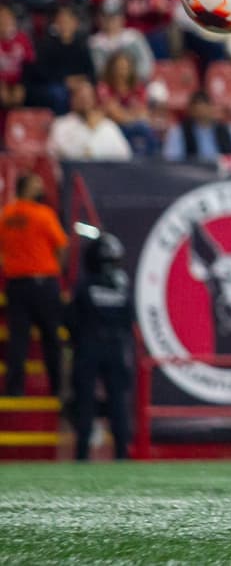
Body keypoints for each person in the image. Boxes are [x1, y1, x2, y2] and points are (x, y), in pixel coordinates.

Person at [67, 231, 134, 460]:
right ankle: (122, 454)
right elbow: (129, 319)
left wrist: (78, 341)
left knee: (85, 401)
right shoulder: (122, 286)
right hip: (115, 346)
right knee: (118, 403)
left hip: (89, 346)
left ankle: (82, 454)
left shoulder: (85, 286)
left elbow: (72, 319)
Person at [0, 174, 68, 396]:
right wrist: (55, 271)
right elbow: (61, 245)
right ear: (26, 188)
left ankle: (14, 388)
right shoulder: (43, 214)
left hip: (16, 283)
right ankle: (57, 387)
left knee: (18, 338)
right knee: (51, 337)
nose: (41, 186)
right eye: (36, 183)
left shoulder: (6, 215)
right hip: (43, 283)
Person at [161, 90, 231, 163]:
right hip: (192, 179)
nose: (202, 112)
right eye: (198, 109)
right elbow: (172, 160)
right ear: (191, 110)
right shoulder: (179, 132)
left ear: (211, 108)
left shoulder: (226, 128)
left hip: (221, 178)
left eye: (205, 107)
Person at [48, 79, 132, 161]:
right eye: (81, 97)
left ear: (94, 99)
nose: (84, 101)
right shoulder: (60, 124)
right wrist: (89, 130)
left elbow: (125, 155)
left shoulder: (107, 125)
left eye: (88, 97)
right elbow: (55, 154)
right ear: (72, 99)